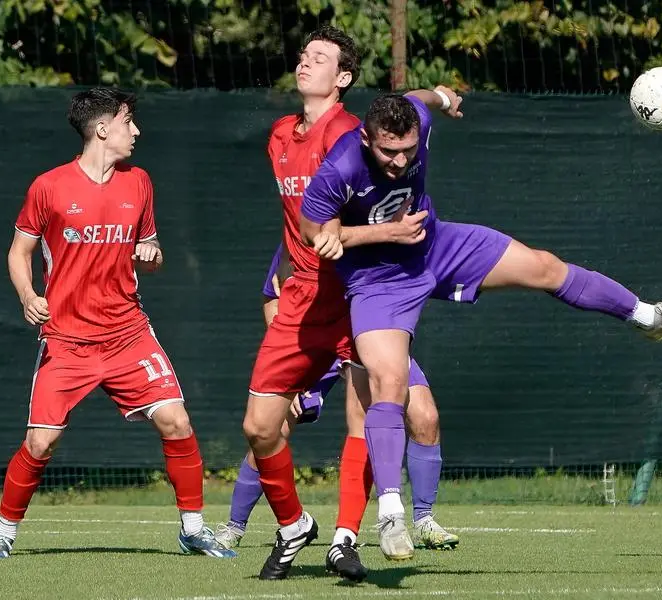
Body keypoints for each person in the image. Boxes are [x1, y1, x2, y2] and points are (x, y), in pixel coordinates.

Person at [299, 90, 662, 560]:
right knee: (389, 380)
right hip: (378, 281)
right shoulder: (341, 166)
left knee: (544, 267)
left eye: (408, 151)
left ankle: (649, 316)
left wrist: (442, 96)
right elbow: (315, 231)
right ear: (366, 137)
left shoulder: (415, 119)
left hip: (435, 246)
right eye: (387, 151)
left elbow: (416, 98)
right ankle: (392, 514)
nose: (399, 161)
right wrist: (381, 233)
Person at [241, 26, 460, 580]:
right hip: (302, 300)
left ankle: (347, 536)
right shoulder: (279, 136)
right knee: (260, 427)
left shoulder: (351, 135)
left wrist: (438, 96)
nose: (303, 64)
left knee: (370, 416)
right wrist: (280, 277)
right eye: (302, 55)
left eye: (319, 58)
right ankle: (293, 525)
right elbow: (301, 225)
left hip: (361, 295)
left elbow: (377, 206)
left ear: (343, 78)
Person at [0, 88, 234, 560]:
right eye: (128, 122)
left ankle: (194, 529)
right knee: (41, 440)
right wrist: (28, 295)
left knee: (177, 421)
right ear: (102, 129)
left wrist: (152, 254)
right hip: (68, 339)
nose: (135, 131)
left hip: (128, 334)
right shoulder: (48, 187)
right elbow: (19, 251)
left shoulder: (139, 182)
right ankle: (2, 533)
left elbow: (151, 251)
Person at [215, 244, 459, 558]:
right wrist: (289, 372)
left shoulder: (375, 231)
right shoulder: (307, 230)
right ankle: (234, 527)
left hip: (368, 339)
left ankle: (423, 520)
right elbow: (273, 297)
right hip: (312, 340)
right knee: (271, 428)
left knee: (425, 417)